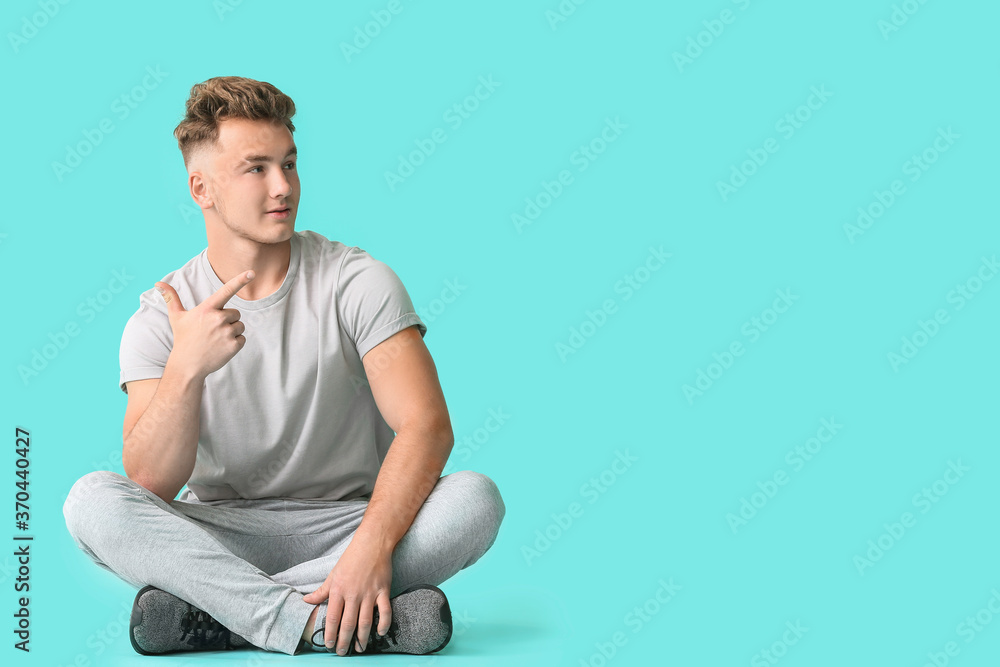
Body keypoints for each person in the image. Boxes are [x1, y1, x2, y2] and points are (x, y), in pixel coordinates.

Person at [62, 75, 505, 657]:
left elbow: (427, 427)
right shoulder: (161, 315)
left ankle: (223, 615)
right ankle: (332, 621)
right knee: (91, 500)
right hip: (223, 535)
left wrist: (370, 549)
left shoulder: (358, 281)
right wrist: (186, 370)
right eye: (256, 168)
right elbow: (151, 483)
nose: (283, 186)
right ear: (202, 188)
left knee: (476, 497)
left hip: (354, 523)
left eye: (289, 164)